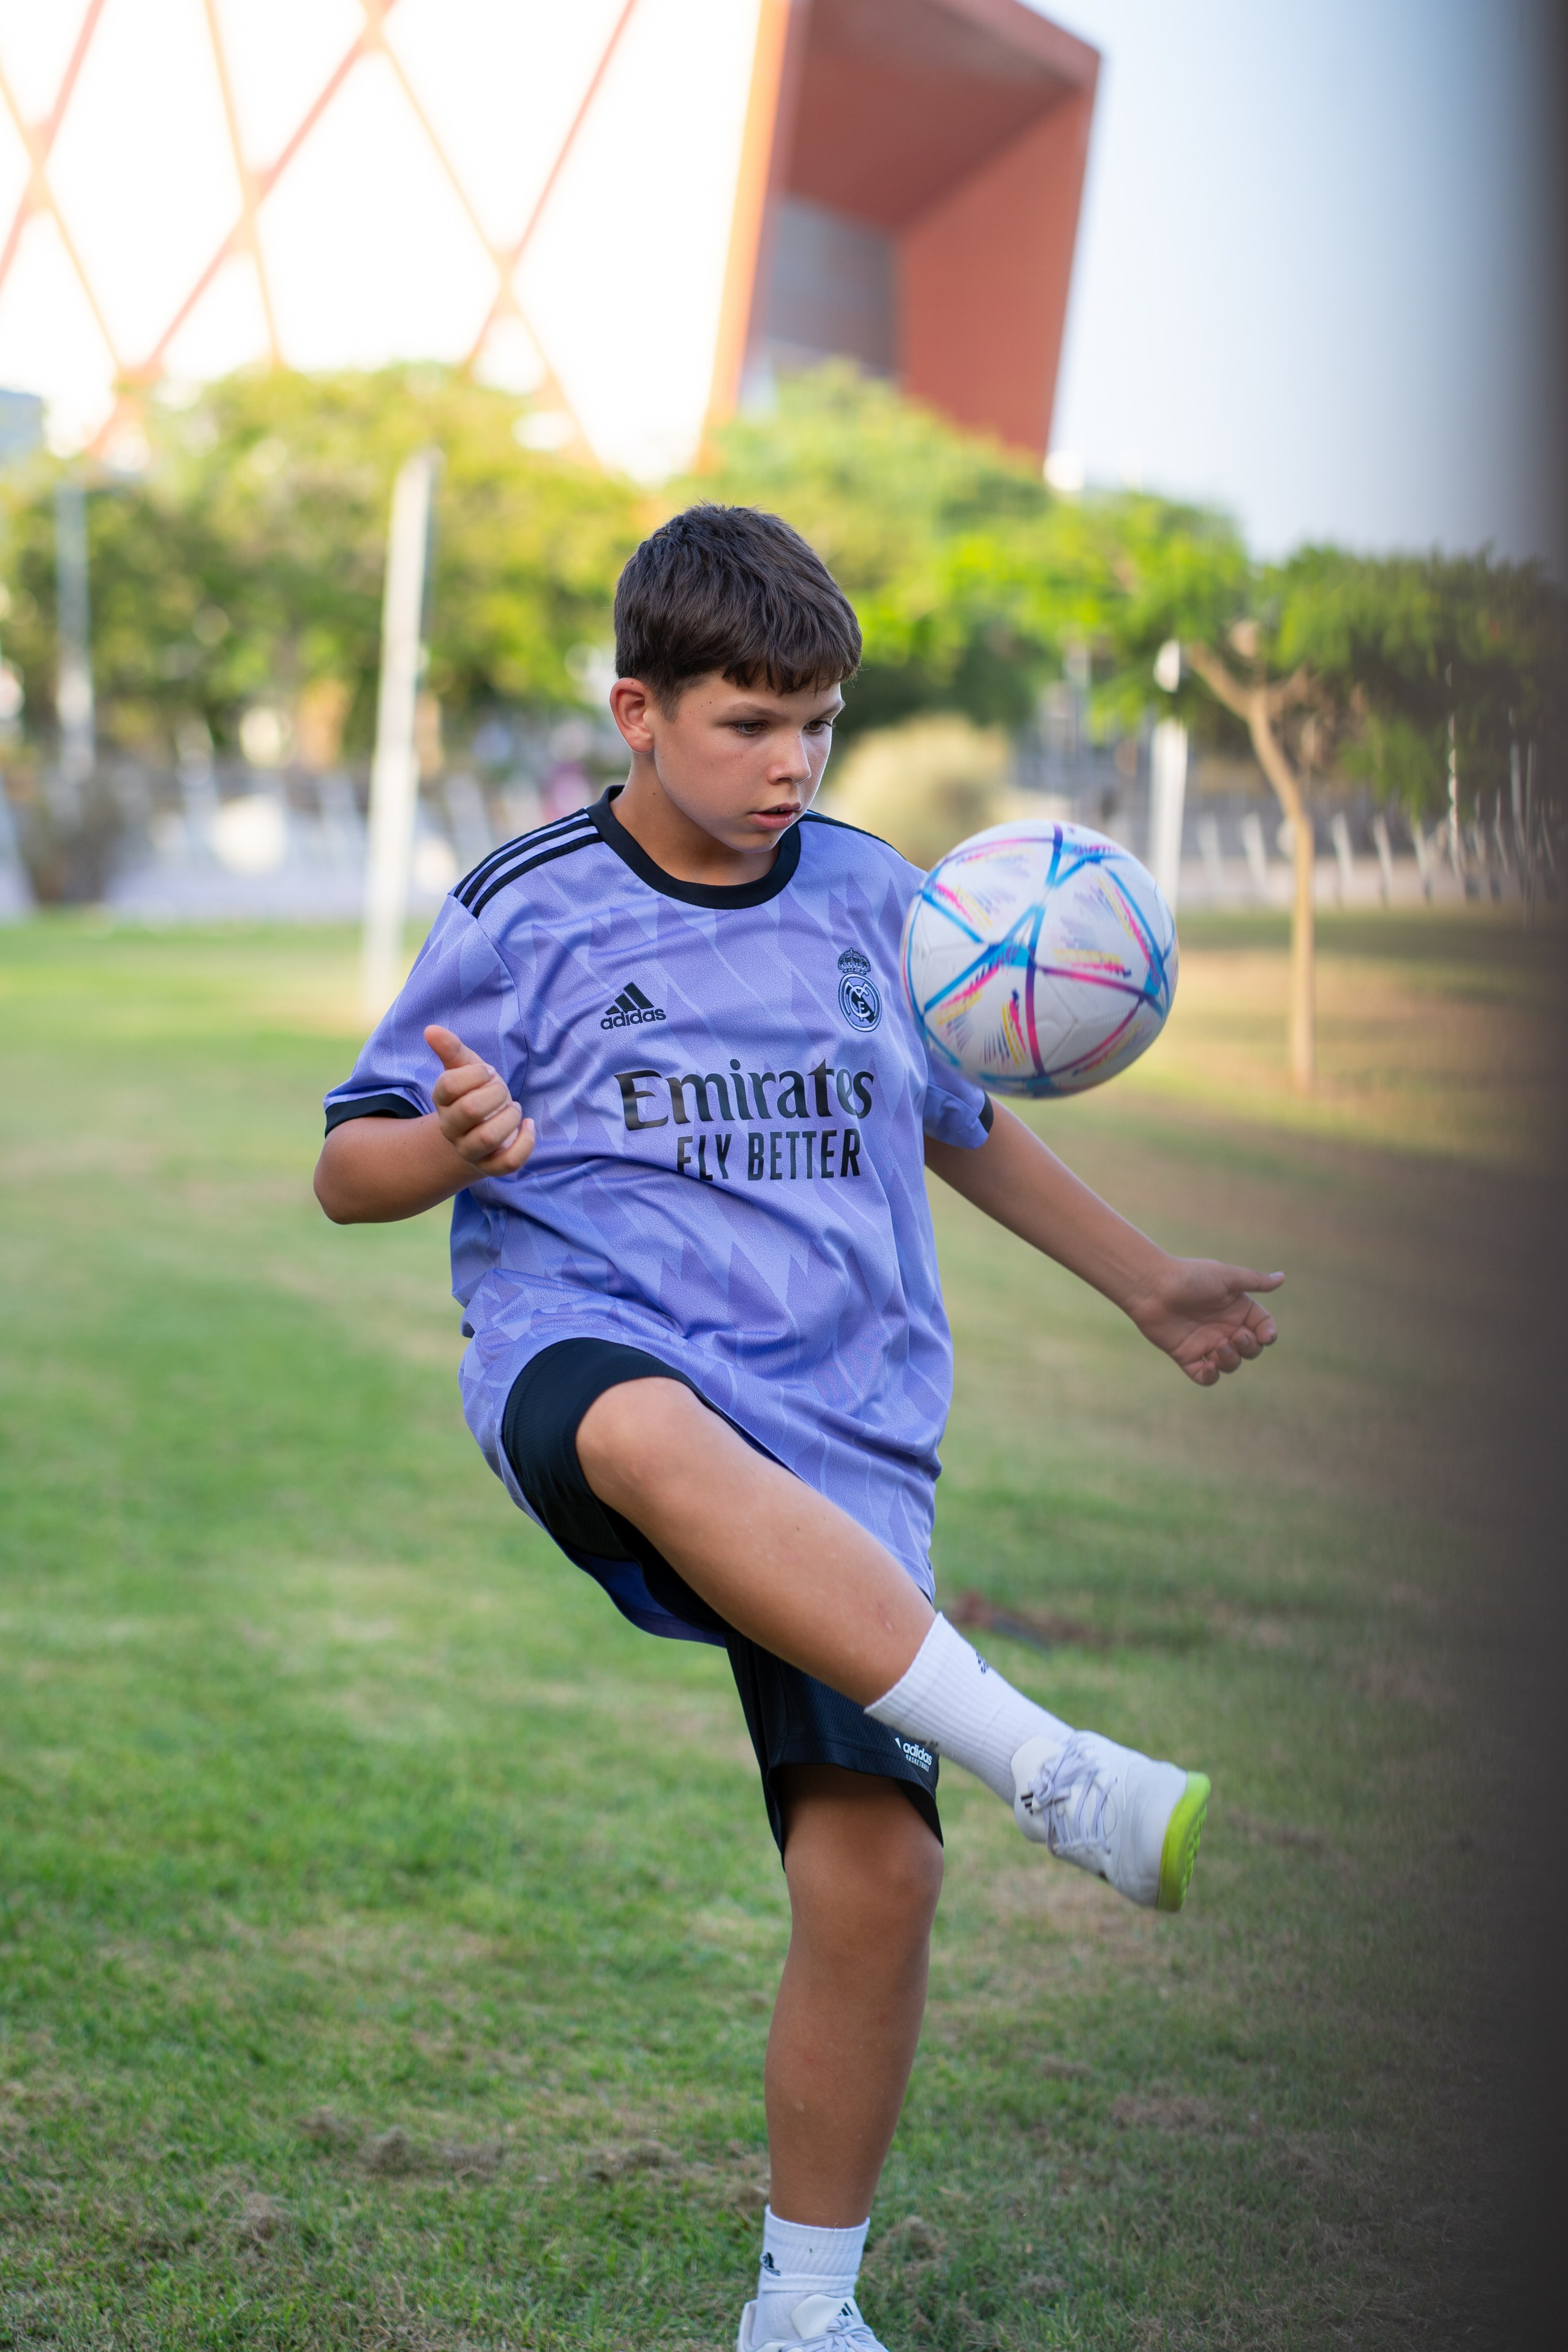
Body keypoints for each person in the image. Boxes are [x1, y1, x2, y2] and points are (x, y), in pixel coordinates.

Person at [315, 505, 1281, 2352]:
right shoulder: (526, 911)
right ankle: (1057, 1768)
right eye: (751, 723)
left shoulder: (872, 899)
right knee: (650, 1437)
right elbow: (346, 1165)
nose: (790, 764)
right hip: (581, 1349)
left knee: (881, 1874)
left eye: (816, 725)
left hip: (839, 1427)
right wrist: (449, 1145)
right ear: (639, 711)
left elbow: (957, 1122)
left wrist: (1148, 1279)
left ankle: (805, 2312)